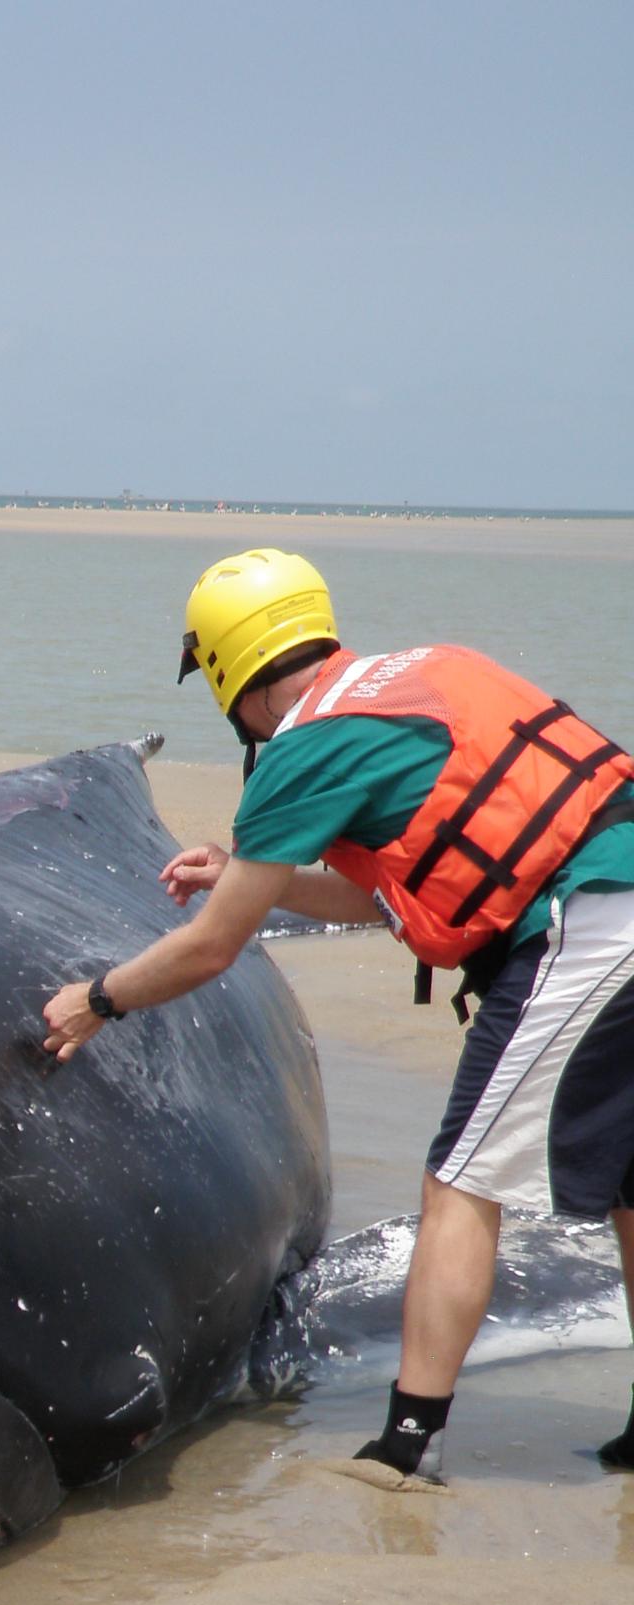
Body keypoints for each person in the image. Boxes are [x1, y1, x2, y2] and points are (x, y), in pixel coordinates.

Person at [40, 547, 634, 1481]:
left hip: (591, 921)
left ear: (232, 670)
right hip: (611, 888)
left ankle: (406, 1446)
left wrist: (97, 1000)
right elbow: (408, 889)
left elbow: (209, 949)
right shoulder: (429, 671)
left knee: (461, 1186)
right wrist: (243, 878)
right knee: (631, 1188)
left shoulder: (303, 748)